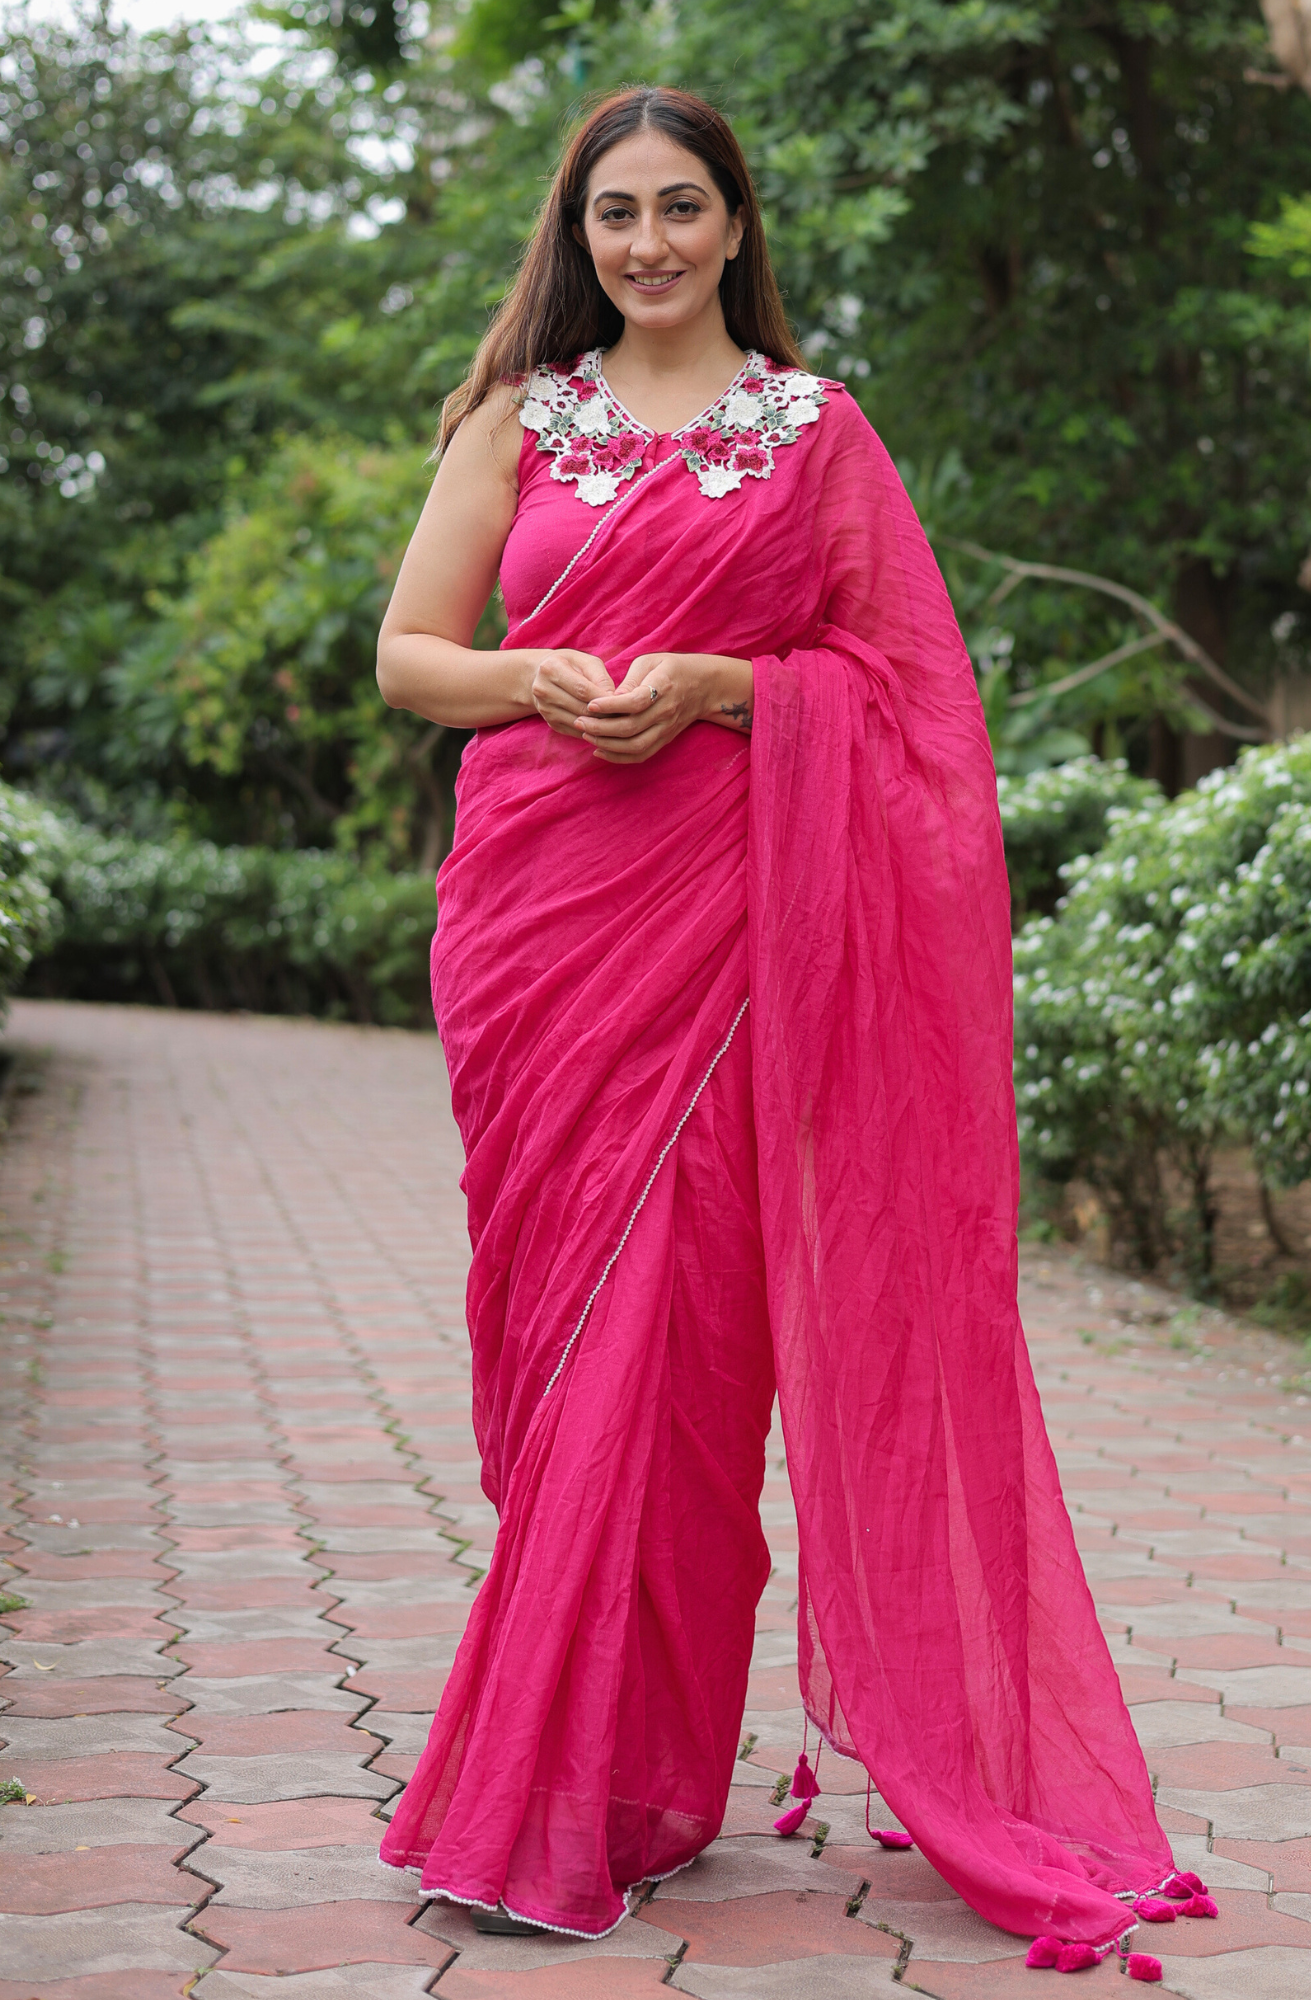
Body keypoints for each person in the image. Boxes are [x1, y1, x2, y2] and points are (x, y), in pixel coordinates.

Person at [373, 83, 1200, 1977]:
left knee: (668, 1354)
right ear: (576, 240)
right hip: (538, 925)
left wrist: (731, 687)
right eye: (613, 217)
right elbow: (418, 654)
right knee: (567, 1345)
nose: (647, 244)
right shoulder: (522, 417)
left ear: (739, 226)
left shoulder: (818, 436)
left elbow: (911, 701)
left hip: (744, 940)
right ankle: (632, 1780)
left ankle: (570, 1800)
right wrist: (551, 682)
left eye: (681, 209)